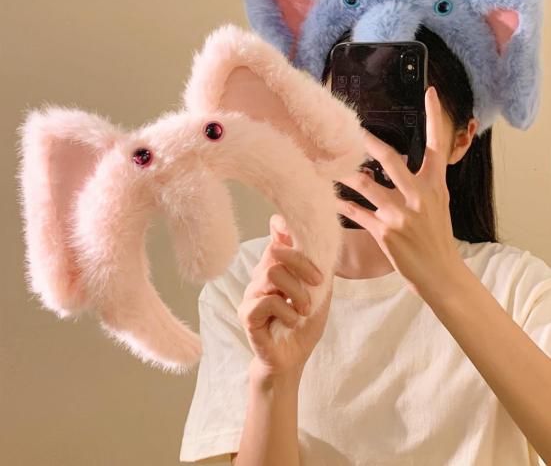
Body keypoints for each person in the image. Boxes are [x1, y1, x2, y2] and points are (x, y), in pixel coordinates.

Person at [179, 23, 551, 466]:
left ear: (461, 140)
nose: (370, 146)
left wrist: (443, 277)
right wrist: (275, 376)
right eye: (345, 115)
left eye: (395, 124)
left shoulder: (518, 286)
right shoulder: (253, 282)